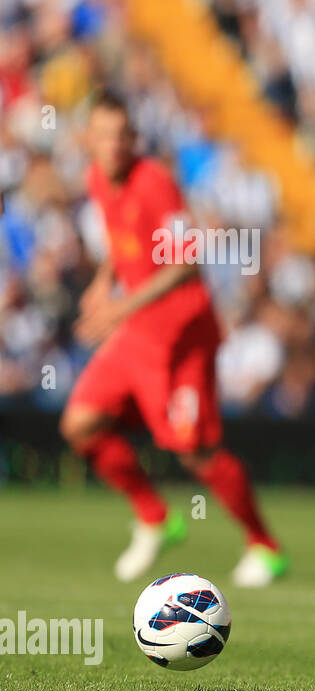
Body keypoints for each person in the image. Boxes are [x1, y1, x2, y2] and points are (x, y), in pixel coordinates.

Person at [61, 91, 286, 587]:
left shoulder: (156, 184)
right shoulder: (97, 178)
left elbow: (186, 262)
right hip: (138, 332)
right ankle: (155, 517)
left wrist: (121, 303)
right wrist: (104, 282)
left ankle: (265, 546)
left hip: (183, 334)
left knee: (194, 451)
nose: (113, 144)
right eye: (103, 135)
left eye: (122, 135)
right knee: (80, 424)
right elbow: (123, 241)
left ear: (134, 139)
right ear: (89, 140)